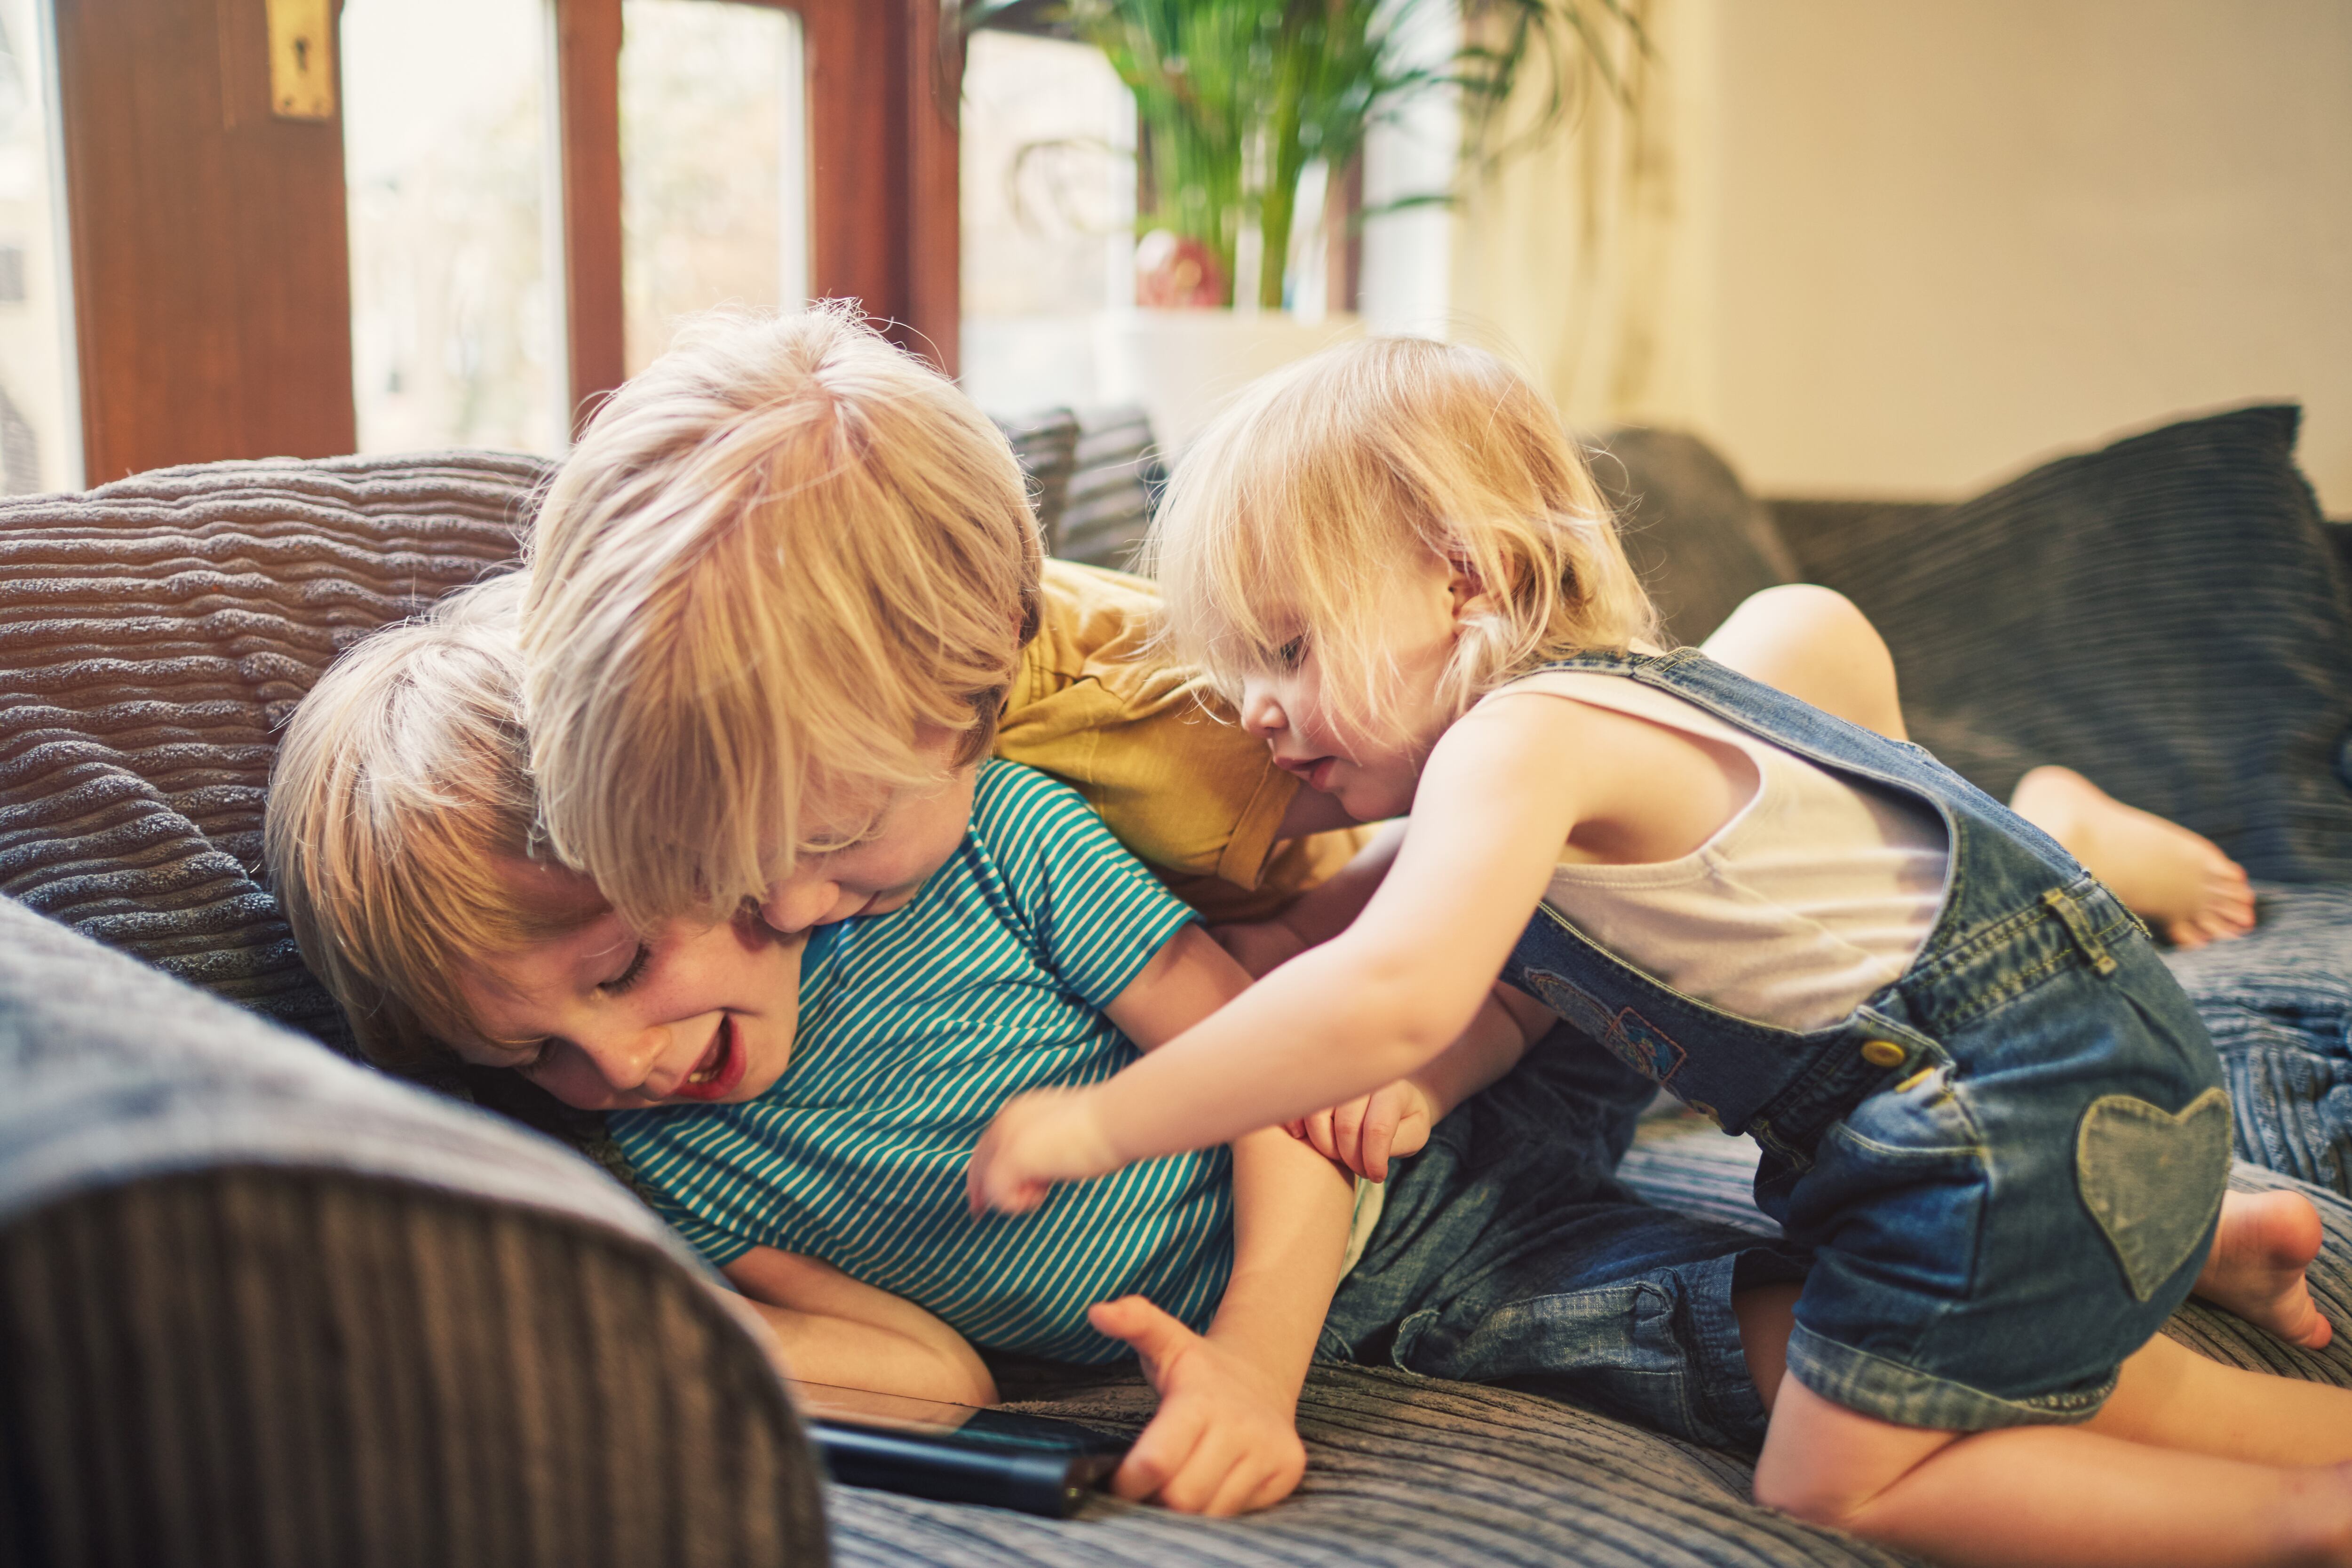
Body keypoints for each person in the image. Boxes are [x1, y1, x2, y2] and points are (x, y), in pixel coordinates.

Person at [965, 337, 2352, 1567]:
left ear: (1468, 577)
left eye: (1286, 645)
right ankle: (2193, 1282)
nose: (1258, 713)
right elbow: (1387, 957)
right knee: (1900, 1286)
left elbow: (1388, 991)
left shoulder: (1518, 744)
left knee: (1834, 1491)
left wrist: (1099, 1121)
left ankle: (2303, 1527)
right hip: (2084, 1085)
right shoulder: (1581, 738)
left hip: (1991, 1123)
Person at [263, 576, 1819, 1516]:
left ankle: (1998, 830)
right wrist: (605, 1353)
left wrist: (1255, 1375)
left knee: (1755, 685)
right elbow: (926, 1374)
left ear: (688, 826)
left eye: (615, 968)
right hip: (1435, 1269)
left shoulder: (988, 846)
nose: (615, 1067)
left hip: (1391, 1072)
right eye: (533, 1061)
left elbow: (1274, 1077)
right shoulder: (668, 1162)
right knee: (1844, 1356)